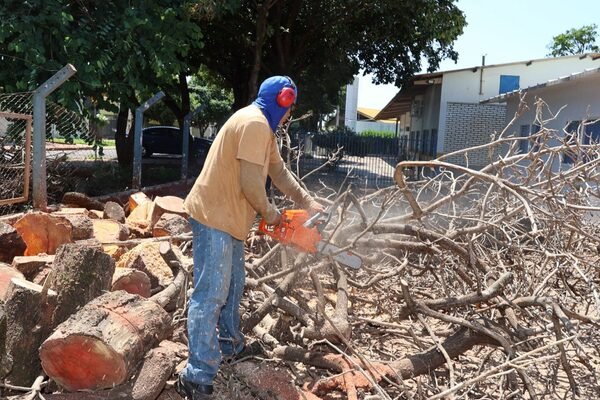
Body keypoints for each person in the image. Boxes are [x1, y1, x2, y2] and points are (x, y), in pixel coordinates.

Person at [177, 76, 323, 399]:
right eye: (289, 108)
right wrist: (273, 216)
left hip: (230, 219)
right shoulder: (255, 124)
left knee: (234, 285)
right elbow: (251, 185)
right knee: (211, 293)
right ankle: (196, 374)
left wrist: (307, 203)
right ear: (281, 101)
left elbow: (279, 173)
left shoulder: (263, 130)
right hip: (214, 215)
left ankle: (230, 344)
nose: (289, 115)